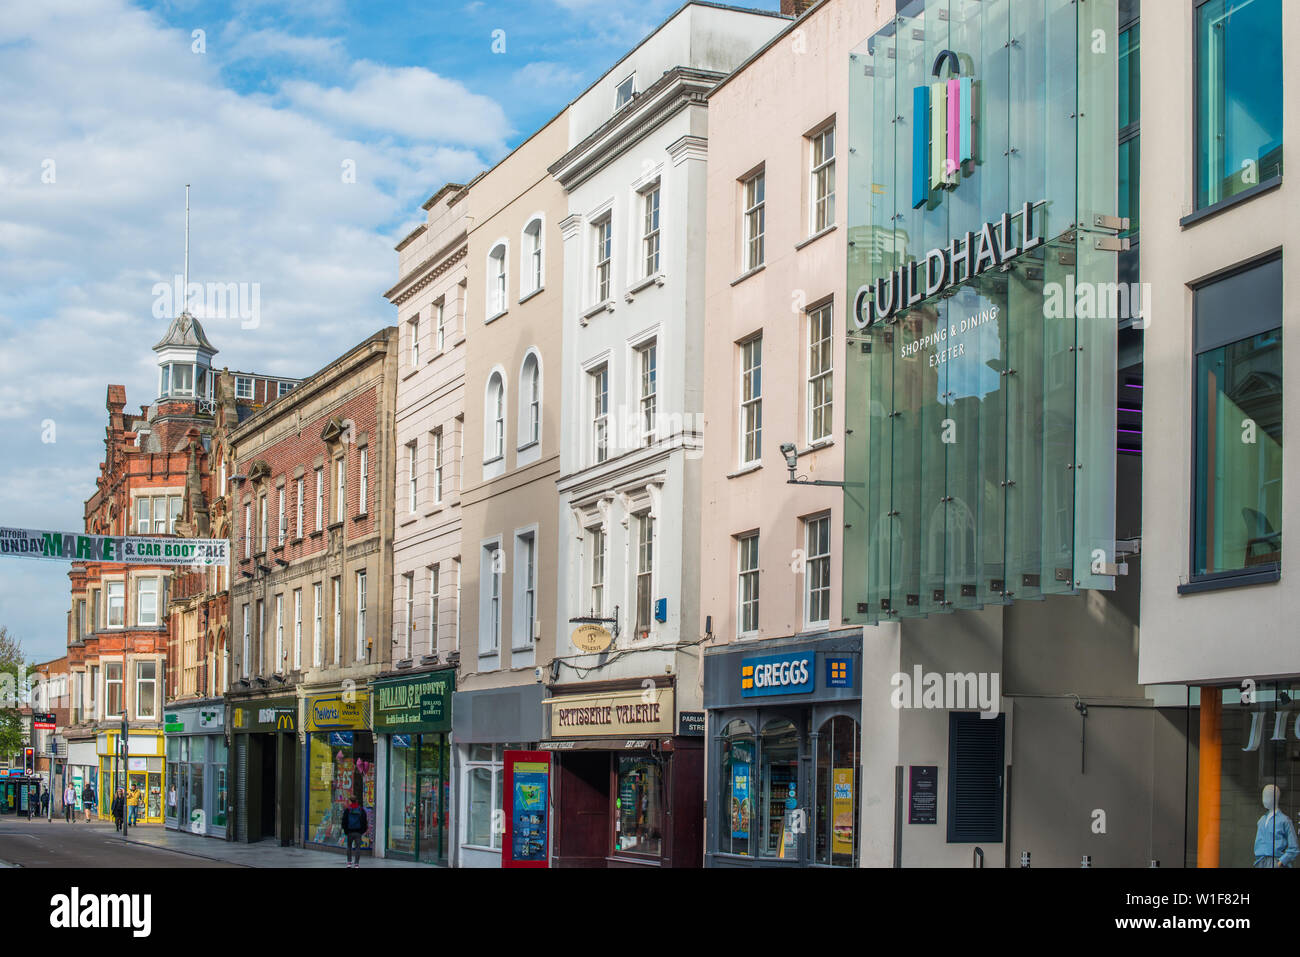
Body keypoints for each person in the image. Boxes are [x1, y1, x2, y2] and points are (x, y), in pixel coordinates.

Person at [340, 797, 367, 868]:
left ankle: (349, 863)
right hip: (358, 832)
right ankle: (356, 864)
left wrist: (346, 831)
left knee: (349, 847)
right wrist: (362, 831)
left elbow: (344, 821)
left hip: (350, 831)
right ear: (357, 801)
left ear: (350, 801)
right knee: (358, 848)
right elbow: (364, 821)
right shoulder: (361, 810)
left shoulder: (347, 810)